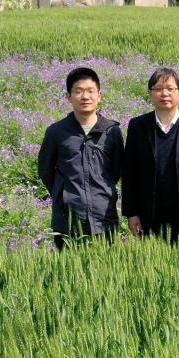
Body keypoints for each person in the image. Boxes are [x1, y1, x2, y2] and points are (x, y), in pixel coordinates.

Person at [121, 68, 179, 247]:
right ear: (150, 94)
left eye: (170, 88)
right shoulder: (138, 126)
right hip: (149, 212)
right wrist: (131, 213)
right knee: (150, 259)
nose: (164, 94)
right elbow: (130, 171)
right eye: (158, 89)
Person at [38, 67, 124, 249]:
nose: (85, 97)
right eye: (78, 91)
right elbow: (45, 170)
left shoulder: (112, 131)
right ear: (68, 96)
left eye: (90, 91)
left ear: (99, 95)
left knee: (106, 265)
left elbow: (116, 170)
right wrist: (63, 194)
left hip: (104, 217)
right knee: (67, 266)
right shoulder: (56, 132)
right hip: (67, 220)